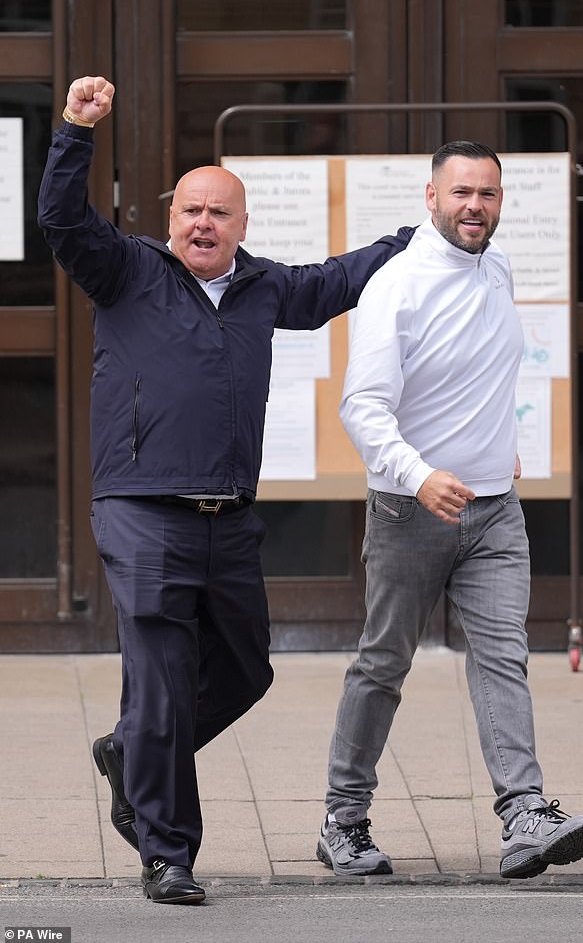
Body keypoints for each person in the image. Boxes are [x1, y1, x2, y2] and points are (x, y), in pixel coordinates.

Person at [38, 75, 416, 905]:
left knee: (246, 671)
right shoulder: (126, 270)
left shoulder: (262, 286)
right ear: (170, 218)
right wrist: (75, 130)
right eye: (191, 211)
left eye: (219, 213)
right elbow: (63, 220)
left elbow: (335, 281)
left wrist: (416, 240)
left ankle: (131, 753)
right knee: (164, 682)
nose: (203, 223)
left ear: (243, 226)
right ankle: (168, 854)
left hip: (229, 518)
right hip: (142, 511)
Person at [316, 140, 583, 881]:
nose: (475, 206)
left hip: (495, 510)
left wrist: (500, 446)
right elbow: (362, 407)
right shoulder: (395, 286)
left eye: (488, 194)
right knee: (384, 663)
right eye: (462, 192)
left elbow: (481, 371)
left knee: (503, 655)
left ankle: (525, 815)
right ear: (431, 198)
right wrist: (420, 476)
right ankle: (343, 819)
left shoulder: (497, 268)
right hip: (411, 512)